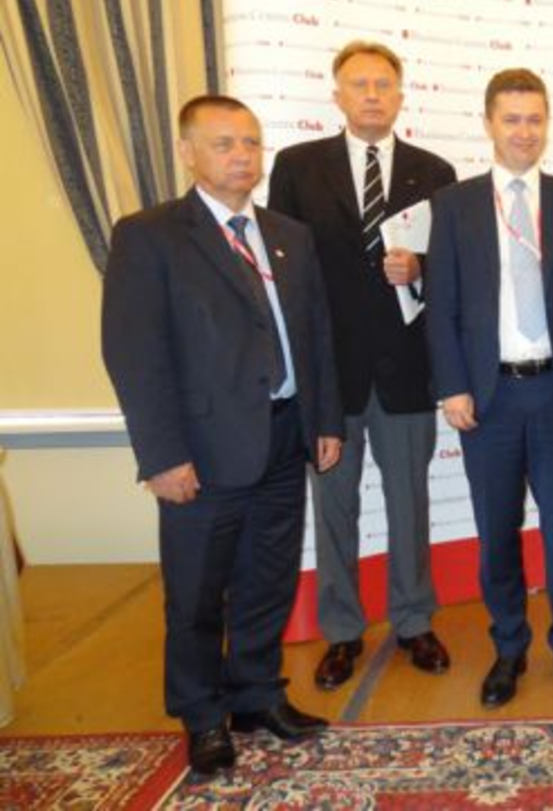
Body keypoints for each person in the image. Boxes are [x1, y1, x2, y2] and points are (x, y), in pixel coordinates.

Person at [102, 96, 344, 778]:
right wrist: (161, 455)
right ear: (188, 153)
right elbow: (133, 353)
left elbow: (316, 336)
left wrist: (325, 420)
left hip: (284, 437)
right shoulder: (149, 236)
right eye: (224, 143)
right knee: (197, 594)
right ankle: (203, 715)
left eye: (250, 143)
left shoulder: (289, 235)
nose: (242, 155)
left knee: (267, 580)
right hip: (202, 453)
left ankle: (257, 695)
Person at [427, 68, 553, 708]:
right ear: (489, 123)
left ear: (547, 124)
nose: (524, 131)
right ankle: (508, 647)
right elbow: (442, 306)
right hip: (489, 399)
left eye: (534, 119)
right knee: (497, 532)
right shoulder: (453, 206)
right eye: (511, 119)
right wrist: (453, 386)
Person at [269, 41, 457, 690]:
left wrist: (422, 268)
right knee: (334, 510)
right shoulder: (297, 167)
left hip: (406, 371)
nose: (372, 94)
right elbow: (284, 274)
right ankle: (342, 630)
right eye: (359, 84)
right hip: (330, 376)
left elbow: (456, 269)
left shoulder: (435, 171)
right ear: (338, 95)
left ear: (400, 96)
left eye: (383, 84)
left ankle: (414, 620)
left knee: (410, 504)